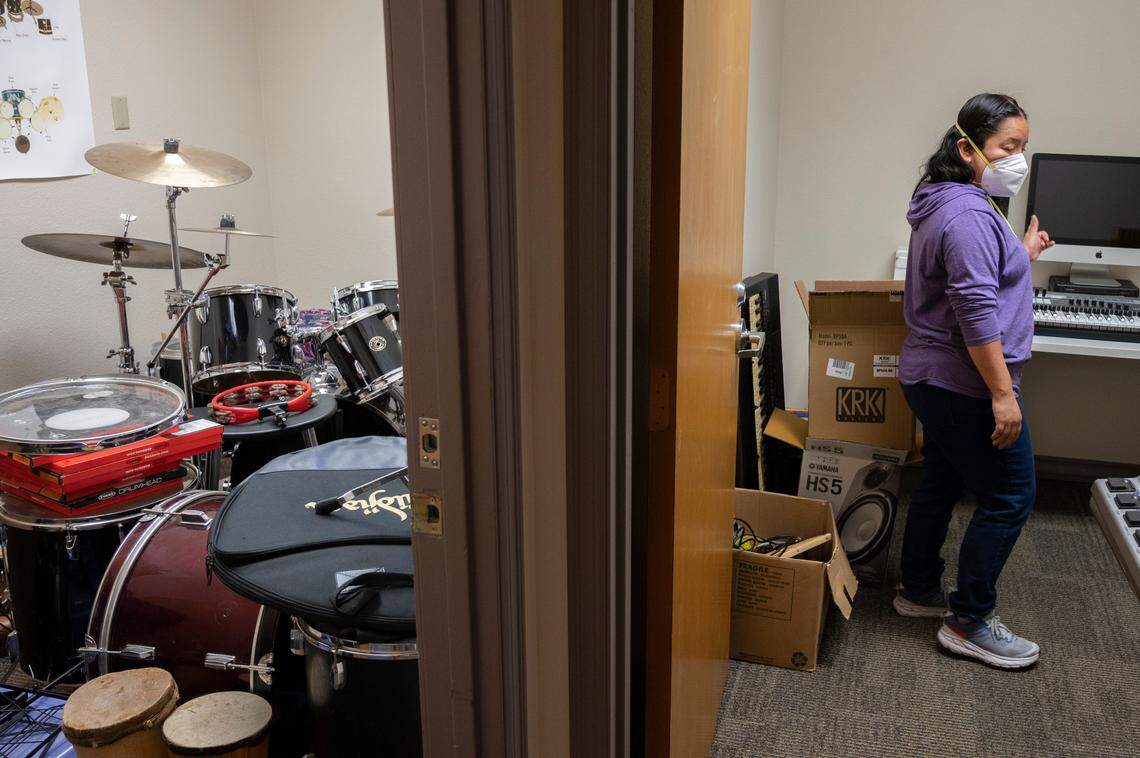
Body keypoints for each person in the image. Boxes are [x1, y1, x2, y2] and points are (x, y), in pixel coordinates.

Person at [894, 93, 1054, 669]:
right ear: (967, 148)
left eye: (1023, 148)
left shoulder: (951, 201)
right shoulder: (967, 214)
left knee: (939, 477)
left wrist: (1021, 252)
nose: (1019, 160)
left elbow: (981, 273)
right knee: (1011, 494)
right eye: (1009, 148)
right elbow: (974, 309)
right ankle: (968, 621)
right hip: (962, 382)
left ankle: (918, 589)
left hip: (933, 377)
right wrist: (1003, 395)